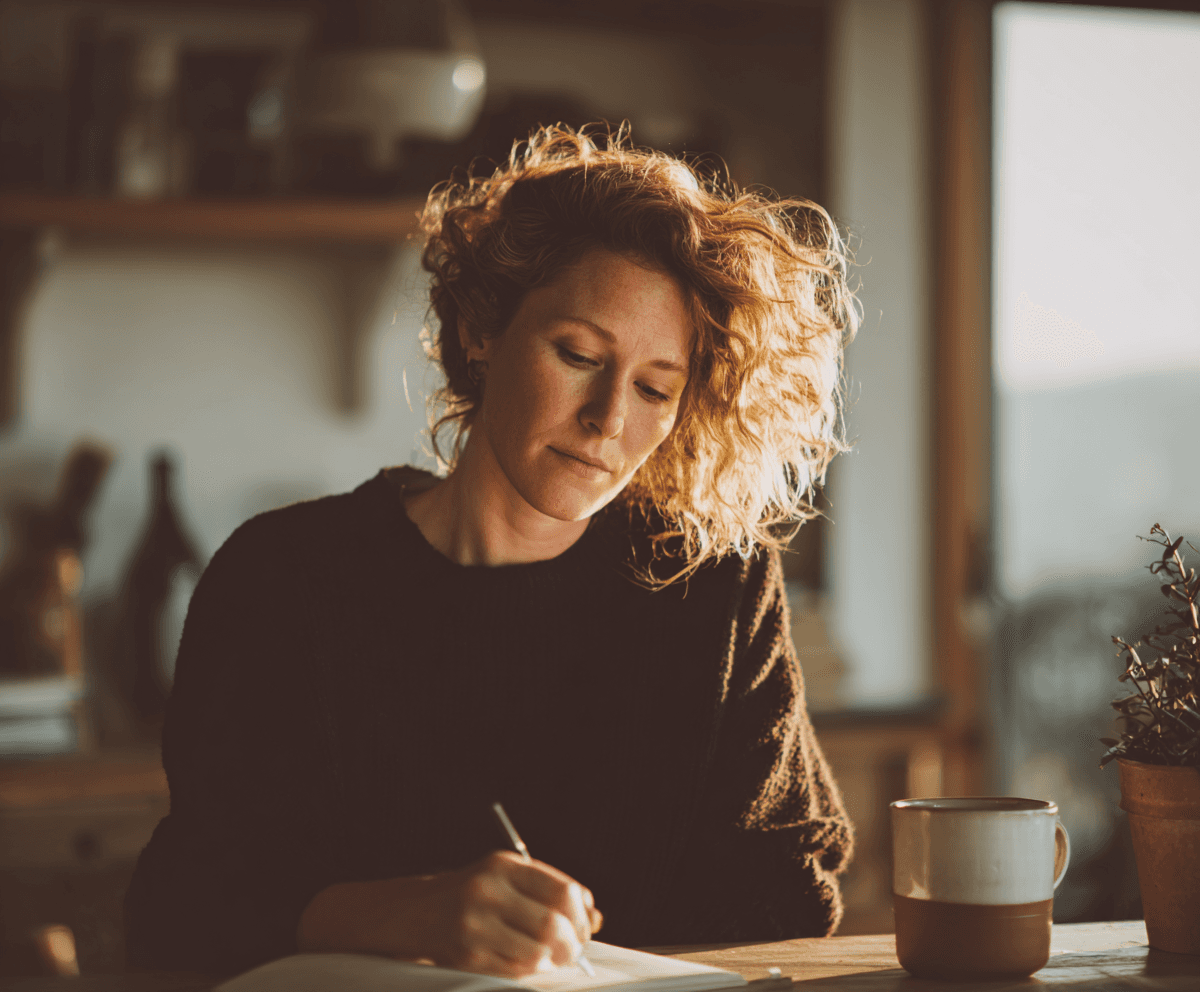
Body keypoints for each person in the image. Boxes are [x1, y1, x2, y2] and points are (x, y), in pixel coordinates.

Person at [123, 124, 859, 980]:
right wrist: (403, 914)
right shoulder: (284, 580)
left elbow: (790, 887)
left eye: (656, 387)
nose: (609, 419)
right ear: (480, 329)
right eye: (578, 355)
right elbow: (182, 909)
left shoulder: (715, 583)